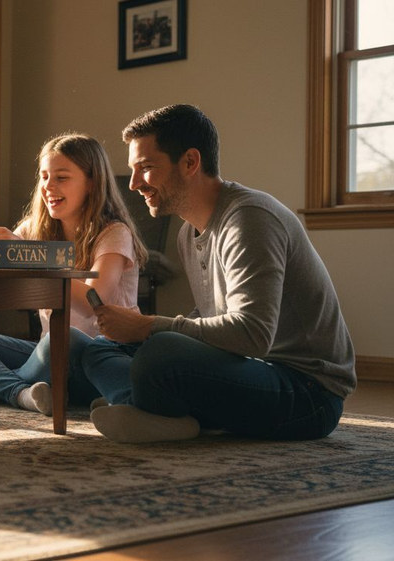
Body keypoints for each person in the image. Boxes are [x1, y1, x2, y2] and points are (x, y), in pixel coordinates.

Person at [84, 104, 355, 443]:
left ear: (190, 162)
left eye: (146, 168)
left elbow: (253, 335)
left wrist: (149, 326)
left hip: (307, 393)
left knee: (159, 353)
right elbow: (214, 318)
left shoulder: (250, 219)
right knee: (97, 349)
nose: (135, 183)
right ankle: (151, 410)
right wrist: (139, 332)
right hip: (248, 368)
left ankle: (142, 405)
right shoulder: (188, 232)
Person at [0, 133, 148, 415]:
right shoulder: (35, 229)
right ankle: (20, 391)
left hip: (104, 355)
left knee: (66, 337)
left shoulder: (114, 233)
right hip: (50, 353)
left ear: (92, 182)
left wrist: (27, 256)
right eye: (44, 177)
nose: (49, 186)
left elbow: (96, 303)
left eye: (62, 177)